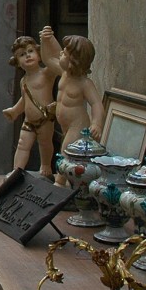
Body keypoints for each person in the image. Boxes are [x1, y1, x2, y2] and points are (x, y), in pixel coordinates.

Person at [40, 26, 105, 184]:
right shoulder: (64, 73)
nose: (60, 54)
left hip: (78, 125)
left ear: (73, 62)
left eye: (64, 54)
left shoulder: (84, 83)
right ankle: (71, 183)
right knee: (70, 154)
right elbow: (48, 58)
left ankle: (59, 183)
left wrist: (97, 123)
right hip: (65, 125)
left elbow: (96, 104)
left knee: (66, 152)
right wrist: (45, 40)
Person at [2, 36, 59, 178]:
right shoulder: (24, 80)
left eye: (30, 51)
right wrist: (15, 110)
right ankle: (17, 170)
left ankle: (45, 165)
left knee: (45, 144)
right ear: (17, 62)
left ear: (39, 54)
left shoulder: (46, 73)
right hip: (28, 121)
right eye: (22, 54)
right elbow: (25, 99)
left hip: (45, 119)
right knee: (22, 144)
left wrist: (48, 41)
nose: (27, 55)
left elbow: (58, 60)